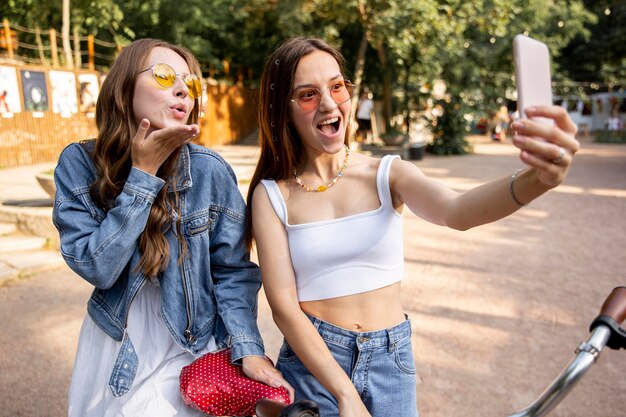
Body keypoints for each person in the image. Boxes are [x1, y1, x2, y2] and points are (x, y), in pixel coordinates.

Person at [243, 37, 579, 417]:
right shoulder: (271, 196)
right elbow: (284, 307)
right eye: (307, 94)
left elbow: (457, 211)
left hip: (392, 361)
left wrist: (540, 179)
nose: (328, 103)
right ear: (282, 111)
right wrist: (345, 392)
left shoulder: (387, 173)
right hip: (314, 366)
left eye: (337, 86)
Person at [52, 38, 292, 417]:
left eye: (191, 83)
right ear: (124, 86)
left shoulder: (210, 171)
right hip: (117, 338)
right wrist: (142, 177)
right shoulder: (80, 164)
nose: (183, 89)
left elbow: (231, 272)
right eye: (165, 76)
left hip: (193, 347)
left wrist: (249, 348)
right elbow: (98, 268)